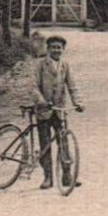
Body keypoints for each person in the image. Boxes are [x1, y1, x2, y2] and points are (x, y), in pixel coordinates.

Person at [29, 34, 83, 189]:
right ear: (48, 49)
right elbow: (33, 87)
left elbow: (72, 86)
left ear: (63, 49)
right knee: (45, 144)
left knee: (64, 142)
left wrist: (78, 103)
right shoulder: (40, 65)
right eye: (53, 47)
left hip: (59, 110)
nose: (56, 50)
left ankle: (67, 175)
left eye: (59, 48)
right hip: (44, 111)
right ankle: (48, 177)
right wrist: (42, 102)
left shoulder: (65, 65)